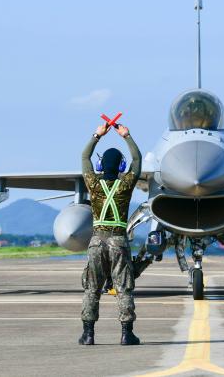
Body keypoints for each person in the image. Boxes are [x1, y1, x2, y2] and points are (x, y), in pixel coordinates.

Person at [79, 121, 142, 346]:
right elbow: (137, 160)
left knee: (92, 288)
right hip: (118, 241)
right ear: (121, 166)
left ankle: (88, 334)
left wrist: (97, 134)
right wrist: (127, 135)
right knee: (124, 287)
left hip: (97, 241)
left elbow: (85, 158)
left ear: (100, 165)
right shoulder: (125, 185)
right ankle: (127, 334)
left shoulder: (93, 184)